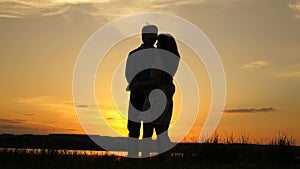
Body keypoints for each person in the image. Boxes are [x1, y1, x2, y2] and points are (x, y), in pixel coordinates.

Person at [139, 34, 180, 158]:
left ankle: (145, 160)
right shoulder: (173, 60)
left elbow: (156, 80)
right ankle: (166, 161)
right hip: (166, 97)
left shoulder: (159, 60)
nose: (156, 45)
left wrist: (138, 85)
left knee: (147, 132)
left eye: (158, 43)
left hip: (154, 97)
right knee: (162, 133)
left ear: (163, 45)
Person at [125, 24, 158, 158]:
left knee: (149, 128)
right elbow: (129, 74)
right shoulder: (133, 54)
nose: (153, 39)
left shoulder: (160, 54)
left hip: (154, 95)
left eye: (154, 36)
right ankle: (132, 157)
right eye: (150, 36)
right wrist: (141, 88)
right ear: (143, 37)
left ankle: (145, 157)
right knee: (133, 127)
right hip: (136, 94)